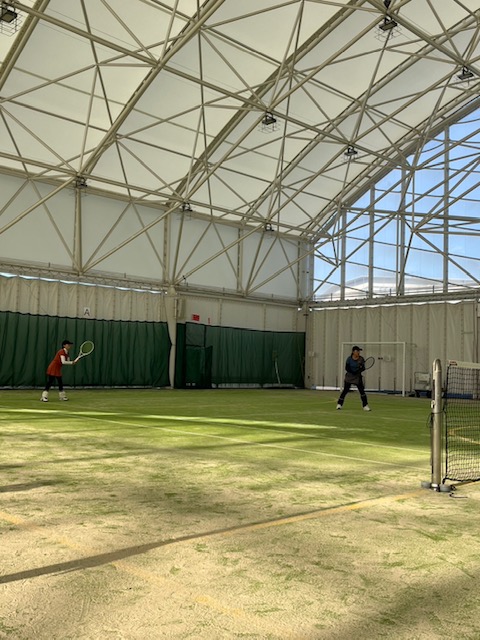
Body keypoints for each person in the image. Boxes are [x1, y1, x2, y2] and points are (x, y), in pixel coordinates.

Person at [336, 345, 371, 411]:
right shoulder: (349, 359)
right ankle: (339, 404)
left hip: (357, 377)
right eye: (357, 351)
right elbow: (346, 368)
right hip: (349, 377)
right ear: (353, 352)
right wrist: (352, 372)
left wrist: (359, 371)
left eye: (359, 351)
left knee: (362, 391)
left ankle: (365, 406)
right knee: (345, 391)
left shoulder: (361, 359)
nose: (358, 352)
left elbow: (363, 368)